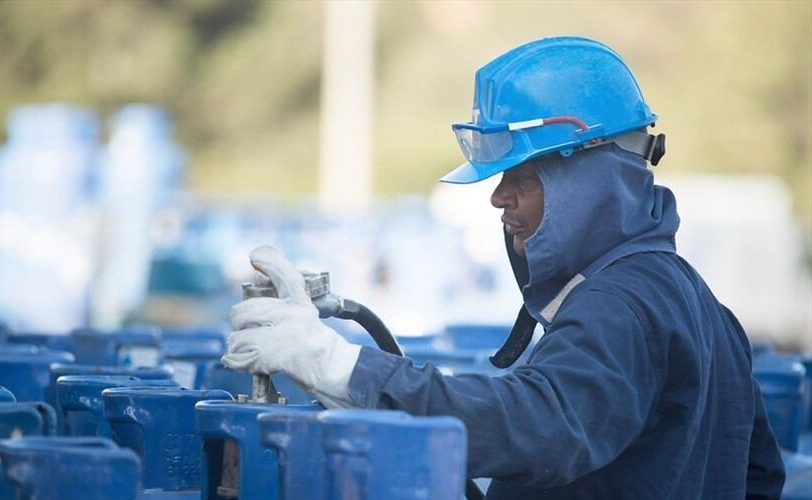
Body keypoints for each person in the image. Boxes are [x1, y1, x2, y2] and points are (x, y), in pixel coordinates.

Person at [222, 36, 785, 498]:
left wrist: (337, 365)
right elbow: (759, 475)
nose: (499, 199)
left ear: (589, 182)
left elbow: (540, 421)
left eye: (522, 177)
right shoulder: (697, 303)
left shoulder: (619, 306)